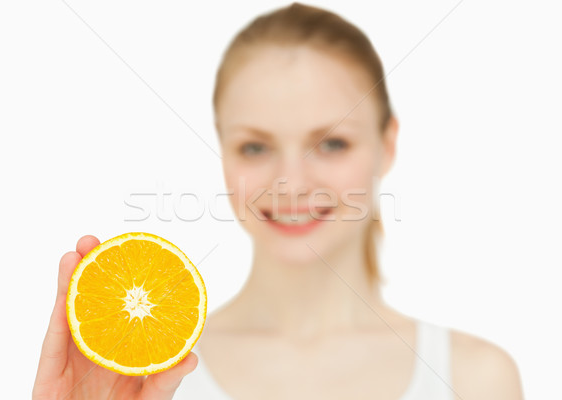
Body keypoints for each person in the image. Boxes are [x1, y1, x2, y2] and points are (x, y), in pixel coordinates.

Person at [33, 3, 524, 399]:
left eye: (332, 143)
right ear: (222, 150)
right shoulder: (144, 379)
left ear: (388, 143)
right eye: (255, 147)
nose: (290, 183)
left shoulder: (474, 379)